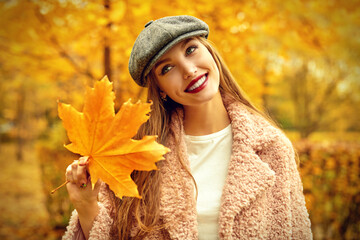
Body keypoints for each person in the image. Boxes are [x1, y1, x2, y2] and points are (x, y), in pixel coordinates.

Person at [62, 15, 312, 240]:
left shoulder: (272, 147)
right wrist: (86, 206)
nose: (189, 70)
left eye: (191, 50)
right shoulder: (135, 155)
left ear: (210, 51)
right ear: (159, 87)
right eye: (167, 68)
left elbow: (297, 233)